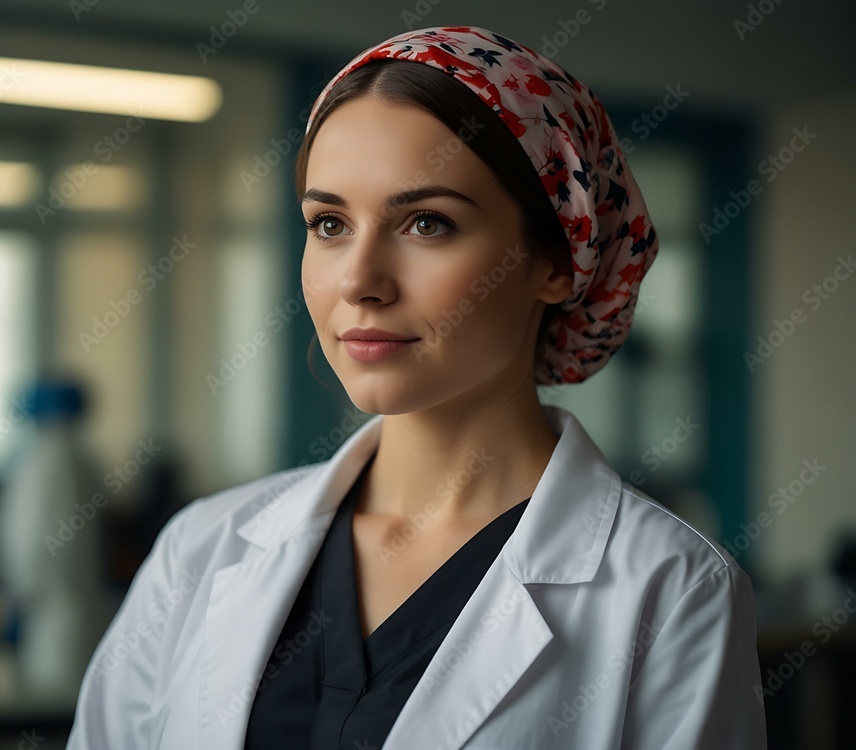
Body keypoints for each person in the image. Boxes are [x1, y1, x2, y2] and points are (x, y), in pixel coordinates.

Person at [66, 26, 767, 749]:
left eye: (427, 223)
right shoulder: (200, 548)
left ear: (560, 261)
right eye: (330, 223)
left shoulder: (670, 588)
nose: (359, 281)